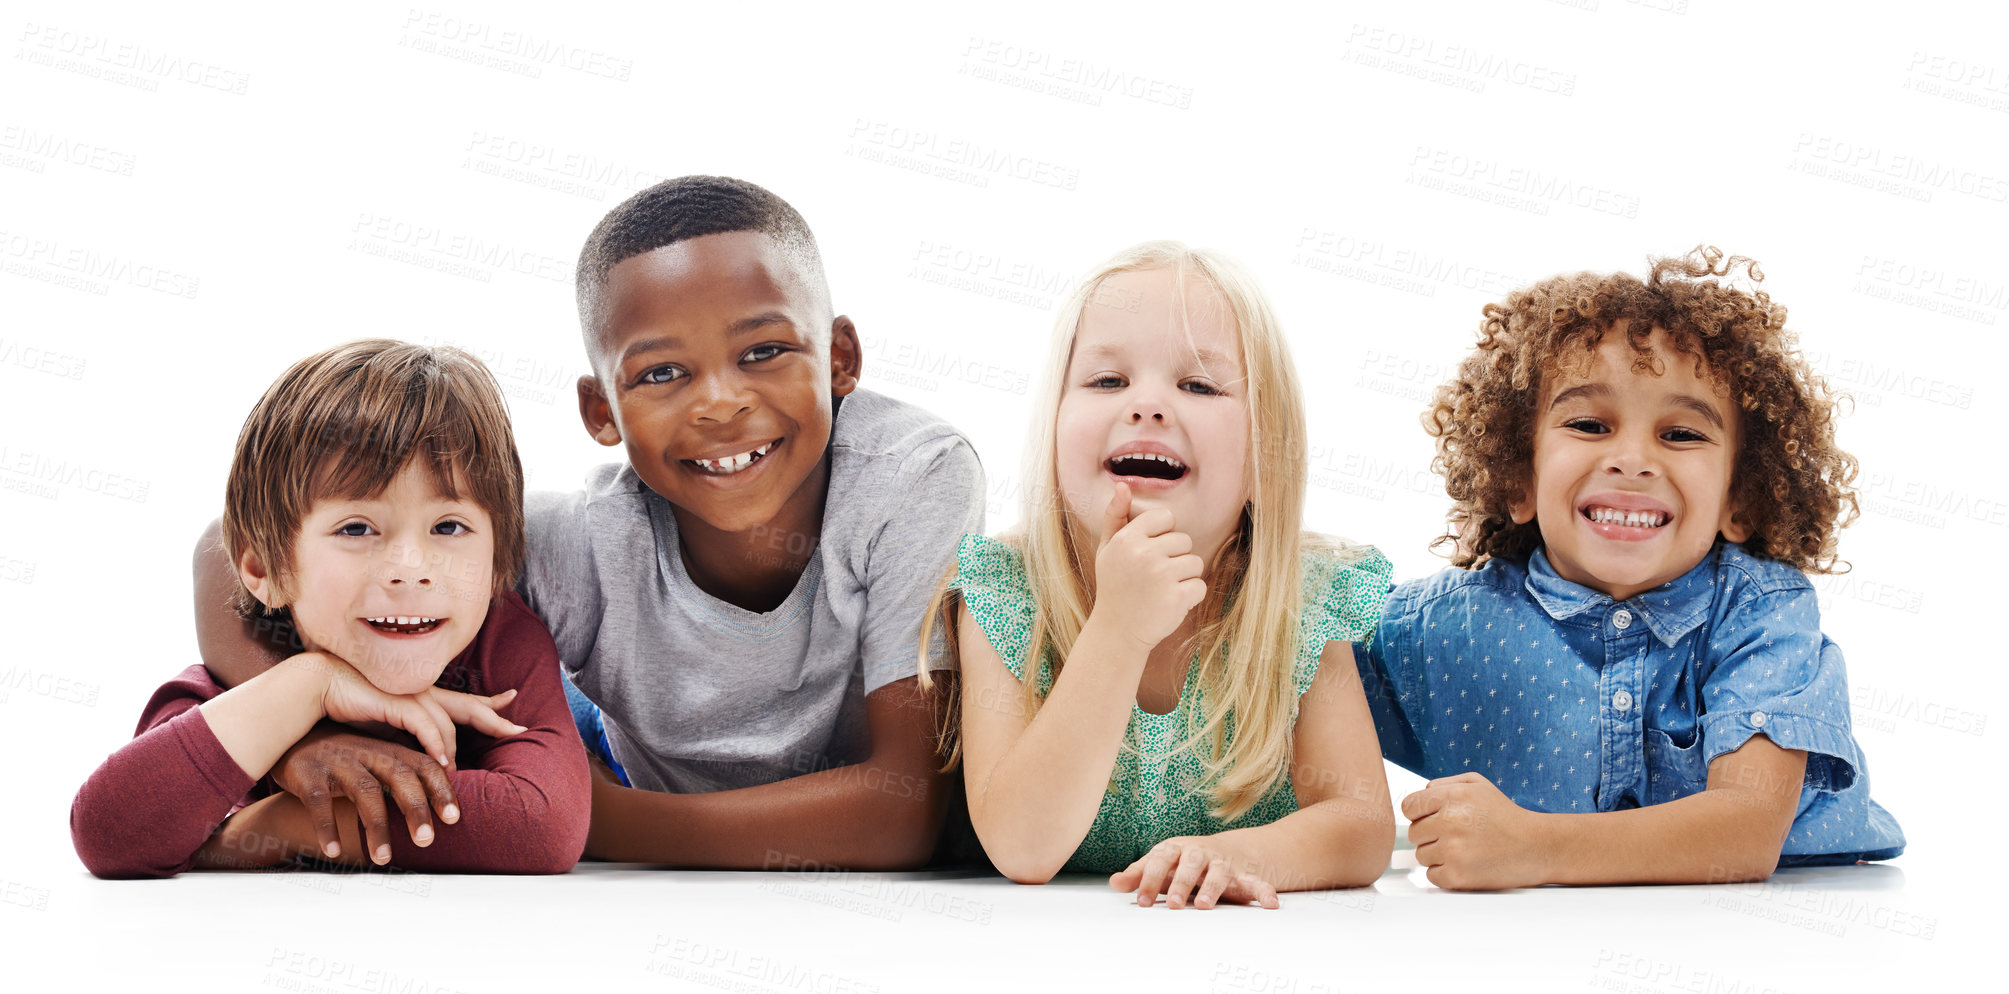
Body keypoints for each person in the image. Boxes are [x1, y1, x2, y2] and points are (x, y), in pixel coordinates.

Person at [194, 177, 983, 869]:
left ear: (840, 356)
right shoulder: (584, 543)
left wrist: (601, 822)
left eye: (765, 349)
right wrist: (304, 734)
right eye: (661, 373)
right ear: (600, 411)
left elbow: (905, 813)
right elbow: (223, 553)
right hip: (594, 746)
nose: (719, 401)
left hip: (614, 792)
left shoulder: (909, 479)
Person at [1358, 248, 1906, 890]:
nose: (1632, 459)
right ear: (1518, 480)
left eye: (1681, 434)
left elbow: (1745, 832)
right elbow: (1284, 649)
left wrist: (1532, 848)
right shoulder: (1439, 626)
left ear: (1738, 499)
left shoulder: (1762, 611)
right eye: (1589, 424)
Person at [939, 241, 1396, 909]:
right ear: (1053, 427)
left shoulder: (1306, 598)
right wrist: (1117, 630)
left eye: (1198, 385)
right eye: (1106, 382)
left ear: (1265, 458)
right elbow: (1023, 846)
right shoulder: (1005, 592)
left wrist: (1234, 856)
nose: (1146, 405)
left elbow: (1360, 827)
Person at [74, 340, 589, 877]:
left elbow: (542, 824)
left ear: (498, 559)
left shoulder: (503, 648)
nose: (411, 568)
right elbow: (110, 835)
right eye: (357, 528)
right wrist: (311, 683)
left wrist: (280, 827)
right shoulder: (232, 692)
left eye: (448, 526)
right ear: (263, 571)